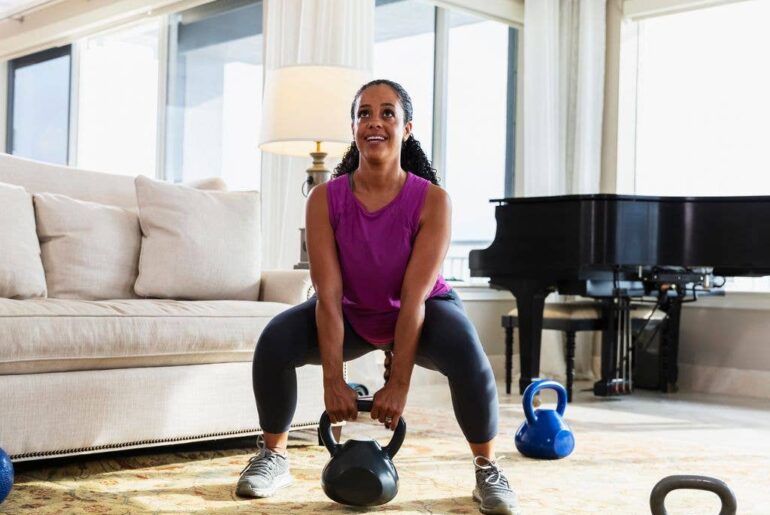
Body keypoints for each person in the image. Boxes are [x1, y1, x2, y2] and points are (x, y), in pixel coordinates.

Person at [236, 79, 519, 515]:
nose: (375, 122)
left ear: (407, 128)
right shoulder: (324, 199)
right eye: (364, 113)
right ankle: (274, 455)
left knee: (467, 353)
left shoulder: (434, 202)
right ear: (353, 127)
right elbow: (327, 297)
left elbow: (413, 298)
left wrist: (398, 385)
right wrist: (334, 381)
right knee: (275, 341)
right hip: (349, 312)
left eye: (388, 113)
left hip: (423, 310)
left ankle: (487, 467)